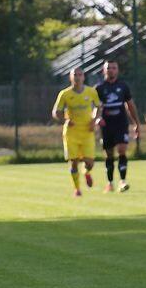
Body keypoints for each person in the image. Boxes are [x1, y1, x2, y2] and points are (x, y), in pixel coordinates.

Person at [52, 67, 103, 197]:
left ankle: (86, 172)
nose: (78, 77)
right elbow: (56, 112)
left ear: (84, 77)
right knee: (73, 162)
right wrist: (65, 120)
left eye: (80, 75)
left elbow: (99, 107)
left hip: (87, 131)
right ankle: (77, 189)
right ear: (71, 77)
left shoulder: (91, 92)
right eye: (75, 75)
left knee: (90, 162)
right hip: (71, 132)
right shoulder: (65, 94)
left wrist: (94, 120)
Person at [94, 60, 141, 192]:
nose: (111, 70)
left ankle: (122, 181)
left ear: (117, 70)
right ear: (104, 70)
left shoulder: (123, 86)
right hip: (106, 125)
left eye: (114, 68)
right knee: (109, 154)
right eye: (109, 68)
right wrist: (97, 119)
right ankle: (110, 183)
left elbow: (130, 105)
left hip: (121, 123)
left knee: (121, 149)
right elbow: (96, 107)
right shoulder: (99, 88)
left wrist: (136, 123)